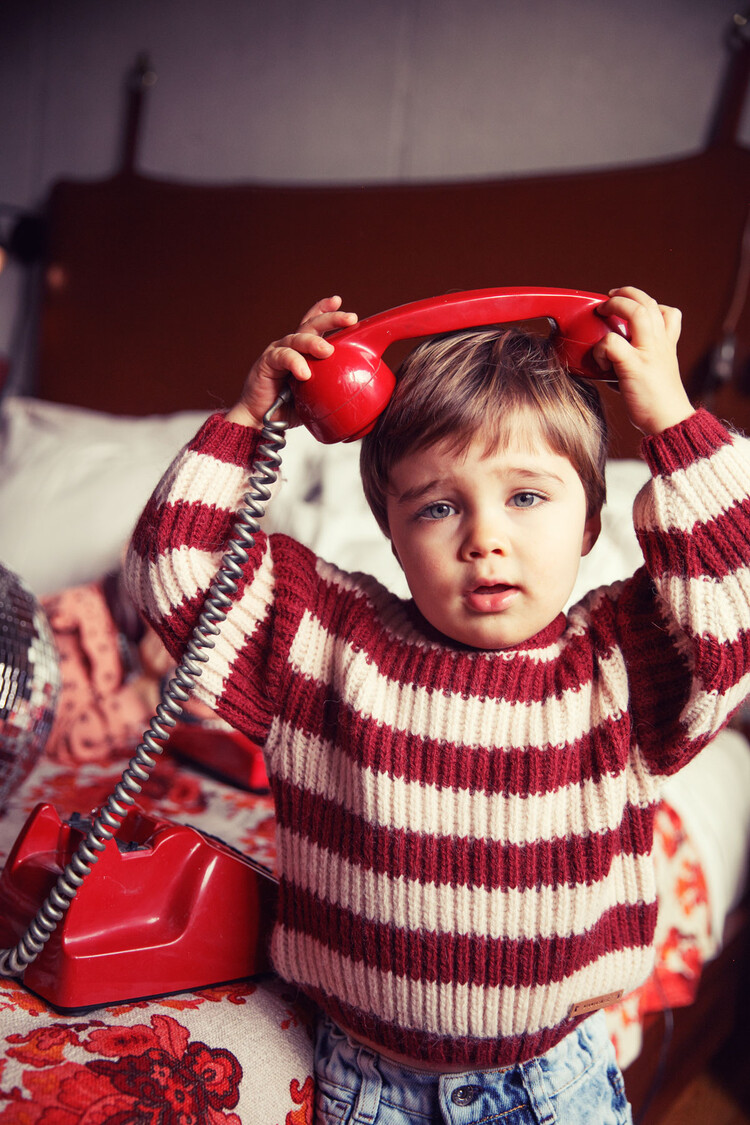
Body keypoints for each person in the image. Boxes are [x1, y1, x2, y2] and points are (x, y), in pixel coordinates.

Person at [125, 286, 750, 1124]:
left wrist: (671, 416)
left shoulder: (623, 662)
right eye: (439, 505)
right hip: (366, 1084)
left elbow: (735, 608)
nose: (483, 537)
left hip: (552, 1084)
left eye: (527, 496)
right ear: (391, 527)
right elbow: (173, 569)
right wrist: (249, 417)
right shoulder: (323, 637)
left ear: (593, 522)